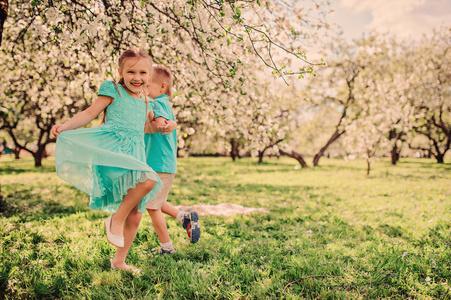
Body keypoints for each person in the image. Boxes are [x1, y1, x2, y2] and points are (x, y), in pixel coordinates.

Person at [51, 48, 164, 273]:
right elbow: (89, 113)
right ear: (120, 71)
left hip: (135, 153)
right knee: (149, 180)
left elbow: (150, 124)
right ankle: (115, 219)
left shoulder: (145, 101)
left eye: (143, 73)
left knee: (137, 215)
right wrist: (66, 126)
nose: (137, 78)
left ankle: (119, 262)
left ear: (149, 75)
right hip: (114, 151)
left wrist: (164, 124)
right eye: (131, 72)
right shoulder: (114, 90)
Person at [145, 64, 201, 254]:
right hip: (162, 163)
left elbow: (159, 122)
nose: (144, 90)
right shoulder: (164, 103)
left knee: (152, 208)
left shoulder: (157, 104)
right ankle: (184, 218)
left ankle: (167, 247)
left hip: (159, 163)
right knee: (154, 201)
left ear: (161, 87)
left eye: (147, 86)